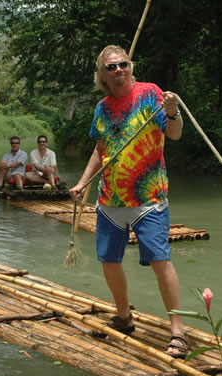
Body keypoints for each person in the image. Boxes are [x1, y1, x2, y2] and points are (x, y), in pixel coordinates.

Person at [69, 45, 188, 359]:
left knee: (160, 262)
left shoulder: (151, 94)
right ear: (102, 75)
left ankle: (178, 330)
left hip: (149, 198)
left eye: (123, 64)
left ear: (130, 67)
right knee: (109, 260)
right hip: (110, 199)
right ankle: (124, 315)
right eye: (111, 67)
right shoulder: (103, 108)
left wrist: (173, 110)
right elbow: (99, 150)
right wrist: (83, 183)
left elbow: (174, 134)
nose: (118, 69)